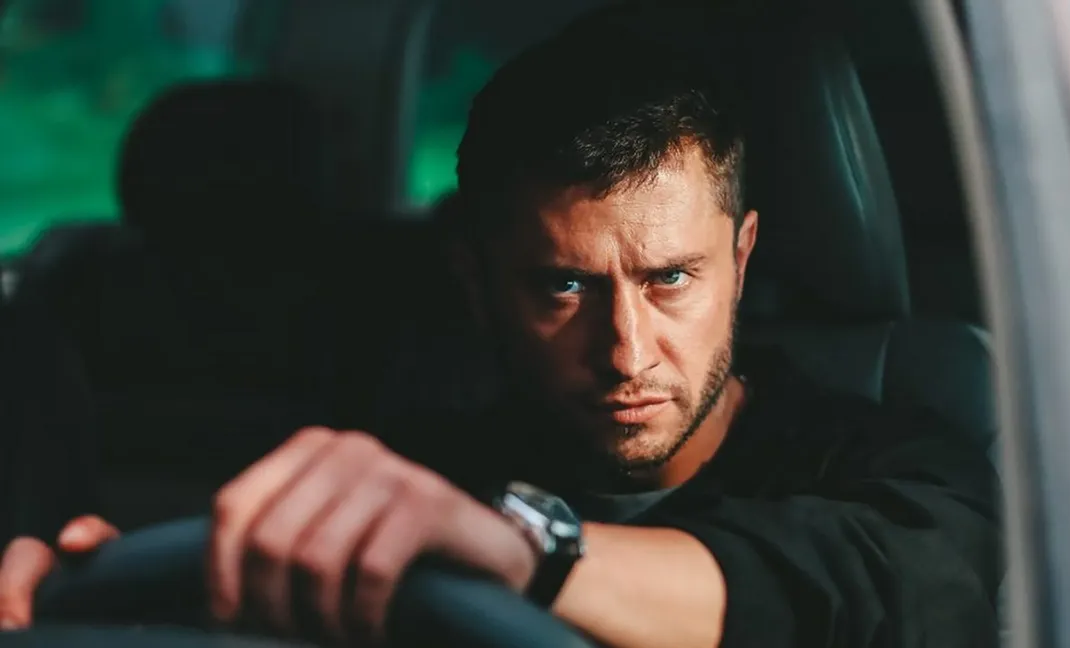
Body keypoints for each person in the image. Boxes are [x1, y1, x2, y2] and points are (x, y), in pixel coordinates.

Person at [0, 20, 1001, 648]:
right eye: (564, 286)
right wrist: (116, 596)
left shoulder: (904, 465)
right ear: (475, 285)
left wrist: (531, 554)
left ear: (740, 261)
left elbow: (871, 591)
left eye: (670, 279)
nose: (626, 350)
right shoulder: (426, 479)